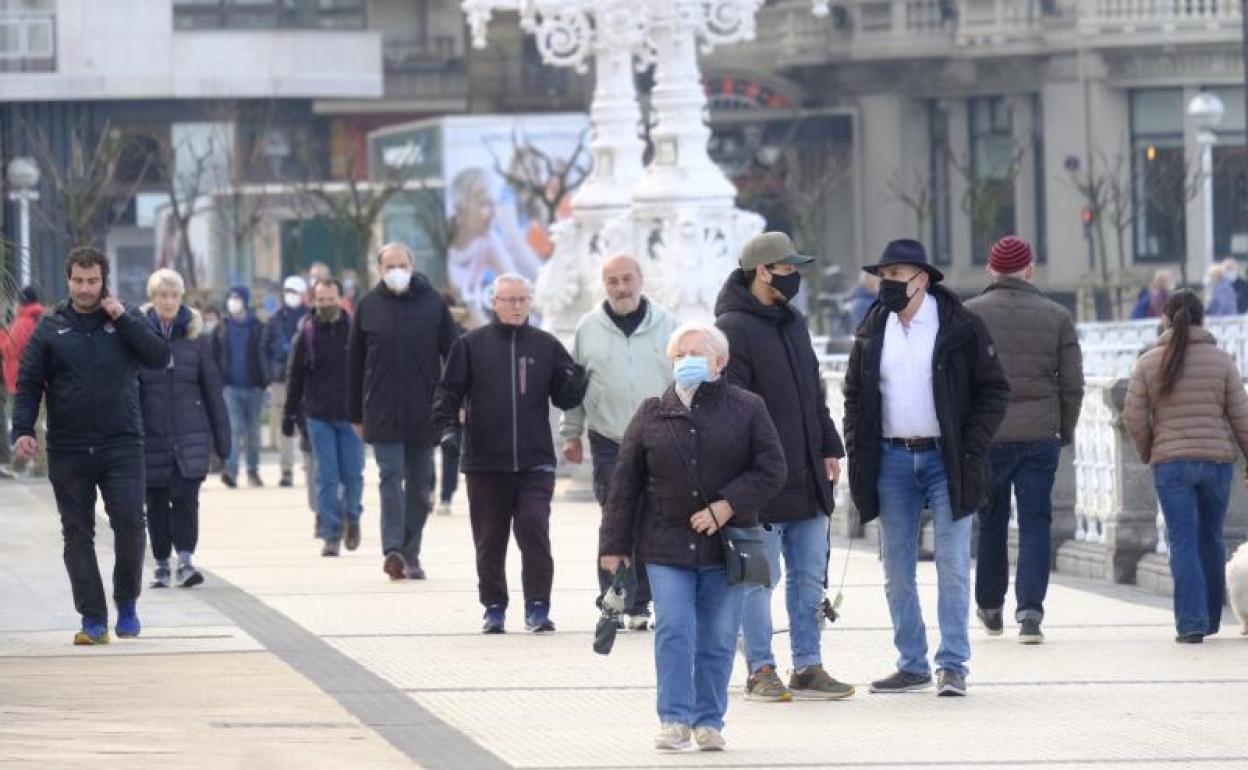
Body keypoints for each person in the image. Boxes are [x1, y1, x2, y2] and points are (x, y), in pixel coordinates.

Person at [600, 322, 786, 752]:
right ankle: (674, 718)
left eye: (696, 354)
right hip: (665, 543)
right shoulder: (652, 412)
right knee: (673, 627)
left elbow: (772, 469)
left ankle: (708, 720)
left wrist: (726, 505)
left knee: (719, 635)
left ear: (719, 363)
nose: (687, 361)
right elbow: (624, 483)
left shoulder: (748, 407)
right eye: (680, 354)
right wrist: (612, 546)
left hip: (729, 545)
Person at [843, 239, 1009, 697]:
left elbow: (995, 391)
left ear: (921, 280)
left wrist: (971, 446)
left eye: (896, 277)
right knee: (896, 568)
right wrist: (857, 448)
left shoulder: (961, 326)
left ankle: (952, 664)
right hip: (891, 459)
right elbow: (855, 395)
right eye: (884, 277)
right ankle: (912, 661)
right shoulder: (874, 326)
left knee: (953, 564)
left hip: (947, 460)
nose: (887, 285)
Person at [713, 231, 854, 703]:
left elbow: (812, 392)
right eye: (789, 269)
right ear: (763, 271)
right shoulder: (732, 328)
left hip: (809, 476)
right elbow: (733, 409)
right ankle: (760, 668)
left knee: (810, 578)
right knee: (759, 578)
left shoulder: (793, 321)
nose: (796, 276)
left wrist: (829, 443)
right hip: (763, 481)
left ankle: (808, 665)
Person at [10, 247, 169, 644]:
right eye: (78, 281)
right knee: (76, 533)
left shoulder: (125, 318)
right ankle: (93, 619)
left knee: (132, 525)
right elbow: (28, 382)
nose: (85, 289)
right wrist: (23, 429)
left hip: (122, 443)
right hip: (69, 447)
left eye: (92, 281)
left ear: (104, 280)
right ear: (68, 281)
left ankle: (127, 602)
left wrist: (124, 319)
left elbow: (159, 357)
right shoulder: (51, 327)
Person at [434, 274, 589, 634]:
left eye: (523, 299)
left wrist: (575, 386)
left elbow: (563, 397)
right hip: (486, 461)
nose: (518, 306)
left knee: (534, 527)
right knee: (490, 538)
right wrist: (447, 429)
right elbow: (448, 393)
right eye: (510, 299)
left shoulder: (546, 345)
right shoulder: (471, 345)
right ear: (495, 302)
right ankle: (494, 606)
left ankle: (538, 606)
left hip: (535, 460)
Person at [965, 237, 1084, 644]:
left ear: (990, 270)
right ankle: (1030, 612)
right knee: (1036, 522)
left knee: (991, 520)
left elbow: (960, 382)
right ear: (1030, 270)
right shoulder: (1057, 316)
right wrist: (1063, 429)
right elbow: (1072, 384)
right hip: (1039, 435)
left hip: (990, 435)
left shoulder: (970, 315)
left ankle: (991, 606)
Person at [561, 254, 678, 630]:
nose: (621, 287)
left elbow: (682, 383)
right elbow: (575, 386)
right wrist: (570, 433)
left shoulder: (666, 324)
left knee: (652, 516)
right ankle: (615, 597)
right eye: (612, 281)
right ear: (604, 284)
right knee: (616, 516)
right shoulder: (588, 328)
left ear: (641, 280)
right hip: (608, 437)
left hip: (658, 435)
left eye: (627, 279)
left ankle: (641, 603)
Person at [1124, 289, 1248, 643]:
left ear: (1165, 318)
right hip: (1216, 463)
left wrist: (1152, 449)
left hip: (1172, 466)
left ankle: (1191, 623)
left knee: (1182, 541)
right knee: (1211, 539)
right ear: (1202, 319)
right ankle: (1210, 618)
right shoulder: (1222, 361)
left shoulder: (1149, 362)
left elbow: (1133, 415)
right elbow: (1242, 417)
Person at [348, 243, 457, 581]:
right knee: (390, 477)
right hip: (381, 411)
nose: (396, 270)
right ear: (379, 270)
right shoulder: (368, 307)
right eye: (389, 265)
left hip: (425, 411)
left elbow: (454, 356)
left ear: (412, 265)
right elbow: (354, 366)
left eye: (402, 264)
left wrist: (455, 404)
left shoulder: (433, 304)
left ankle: (411, 551)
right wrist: (355, 414)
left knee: (422, 486)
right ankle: (393, 549)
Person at [139, 269, 231, 589]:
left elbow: (212, 392)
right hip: (151, 436)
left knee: (187, 500)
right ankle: (162, 562)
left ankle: (187, 559)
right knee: (156, 503)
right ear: (152, 299)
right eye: (162, 295)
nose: (168, 301)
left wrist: (223, 442)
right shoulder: (138, 339)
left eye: (174, 295)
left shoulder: (196, 340)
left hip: (189, 436)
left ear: (182, 299)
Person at [285, 278, 364, 558]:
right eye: (321, 300)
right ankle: (331, 534)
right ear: (313, 300)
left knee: (353, 475)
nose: (326, 304)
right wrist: (289, 413)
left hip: (352, 417)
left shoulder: (356, 330)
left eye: (331, 299)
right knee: (327, 477)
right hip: (318, 416)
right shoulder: (307, 333)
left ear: (341, 299)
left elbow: (369, 372)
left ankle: (352, 518)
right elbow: (295, 376)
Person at [211, 286, 267, 488]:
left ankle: (253, 470)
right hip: (230, 388)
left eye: (237, 298)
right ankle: (231, 471)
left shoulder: (258, 327)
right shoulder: (222, 327)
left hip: (255, 387)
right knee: (234, 429)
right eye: (230, 298)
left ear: (245, 301)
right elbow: (213, 356)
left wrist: (265, 379)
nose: (233, 301)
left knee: (253, 432)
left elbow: (265, 353)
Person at [263, 275, 309, 487]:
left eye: (295, 291)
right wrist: (268, 377)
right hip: (281, 379)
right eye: (288, 291)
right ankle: (287, 470)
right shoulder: (275, 320)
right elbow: (264, 348)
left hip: (308, 380)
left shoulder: (310, 318)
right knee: (286, 426)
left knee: (309, 425)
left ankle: (311, 466)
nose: (291, 295)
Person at [0, 286, 45, 477]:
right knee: (37, 422)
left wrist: (2, 335)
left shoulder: (23, 322)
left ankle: (37, 464)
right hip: (40, 378)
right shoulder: (40, 319)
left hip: (22, 379)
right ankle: (34, 463)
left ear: (21, 302)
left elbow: (10, 349)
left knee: (28, 423)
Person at [434, 287, 471, 517]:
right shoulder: (424, 335)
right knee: (427, 449)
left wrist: (464, 404)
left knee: (450, 448)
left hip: (453, 399)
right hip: (428, 397)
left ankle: (446, 495)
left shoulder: (466, 339)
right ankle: (430, 489)